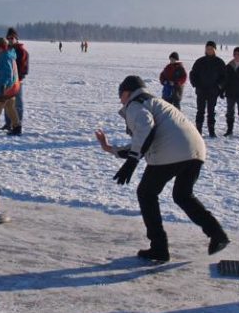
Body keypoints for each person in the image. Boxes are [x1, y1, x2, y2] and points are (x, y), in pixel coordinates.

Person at [94, 75, 230, 263]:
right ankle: (217, 234)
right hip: (196, 150)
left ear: (127, 92)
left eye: (120, 95)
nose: (120, 100)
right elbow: (141, 140)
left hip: (171, 151)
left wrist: (132, 161)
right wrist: (111, 149)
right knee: (183, 195)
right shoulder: (155, 102)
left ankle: (159, 247)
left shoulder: (135, 104)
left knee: (146, 193)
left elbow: (146, 129)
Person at [189, 41, 225, 137]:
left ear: (214, 50)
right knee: (200, 110)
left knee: (211, 111)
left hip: (213, 91)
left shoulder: (219, 62)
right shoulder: (200, 61)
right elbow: (193, 74)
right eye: (207, 48)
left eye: (211, 49)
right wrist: (196, 84)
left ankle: (211, 131)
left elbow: (224, 77)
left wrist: (219, 87)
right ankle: (198, 131)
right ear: (205, 49)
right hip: (201, 91)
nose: (209, 50)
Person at [3, 27, 29, 133]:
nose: (10, 40)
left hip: (17, 81)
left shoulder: (22, 51)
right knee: (7, 103)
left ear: (16, 38)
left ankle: (17, 125)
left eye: (12, 38)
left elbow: (24, 68)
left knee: (17, 104)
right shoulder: (6, 50)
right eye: (8, 38)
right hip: (7, 81)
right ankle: (8, 123)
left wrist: (19, 77)